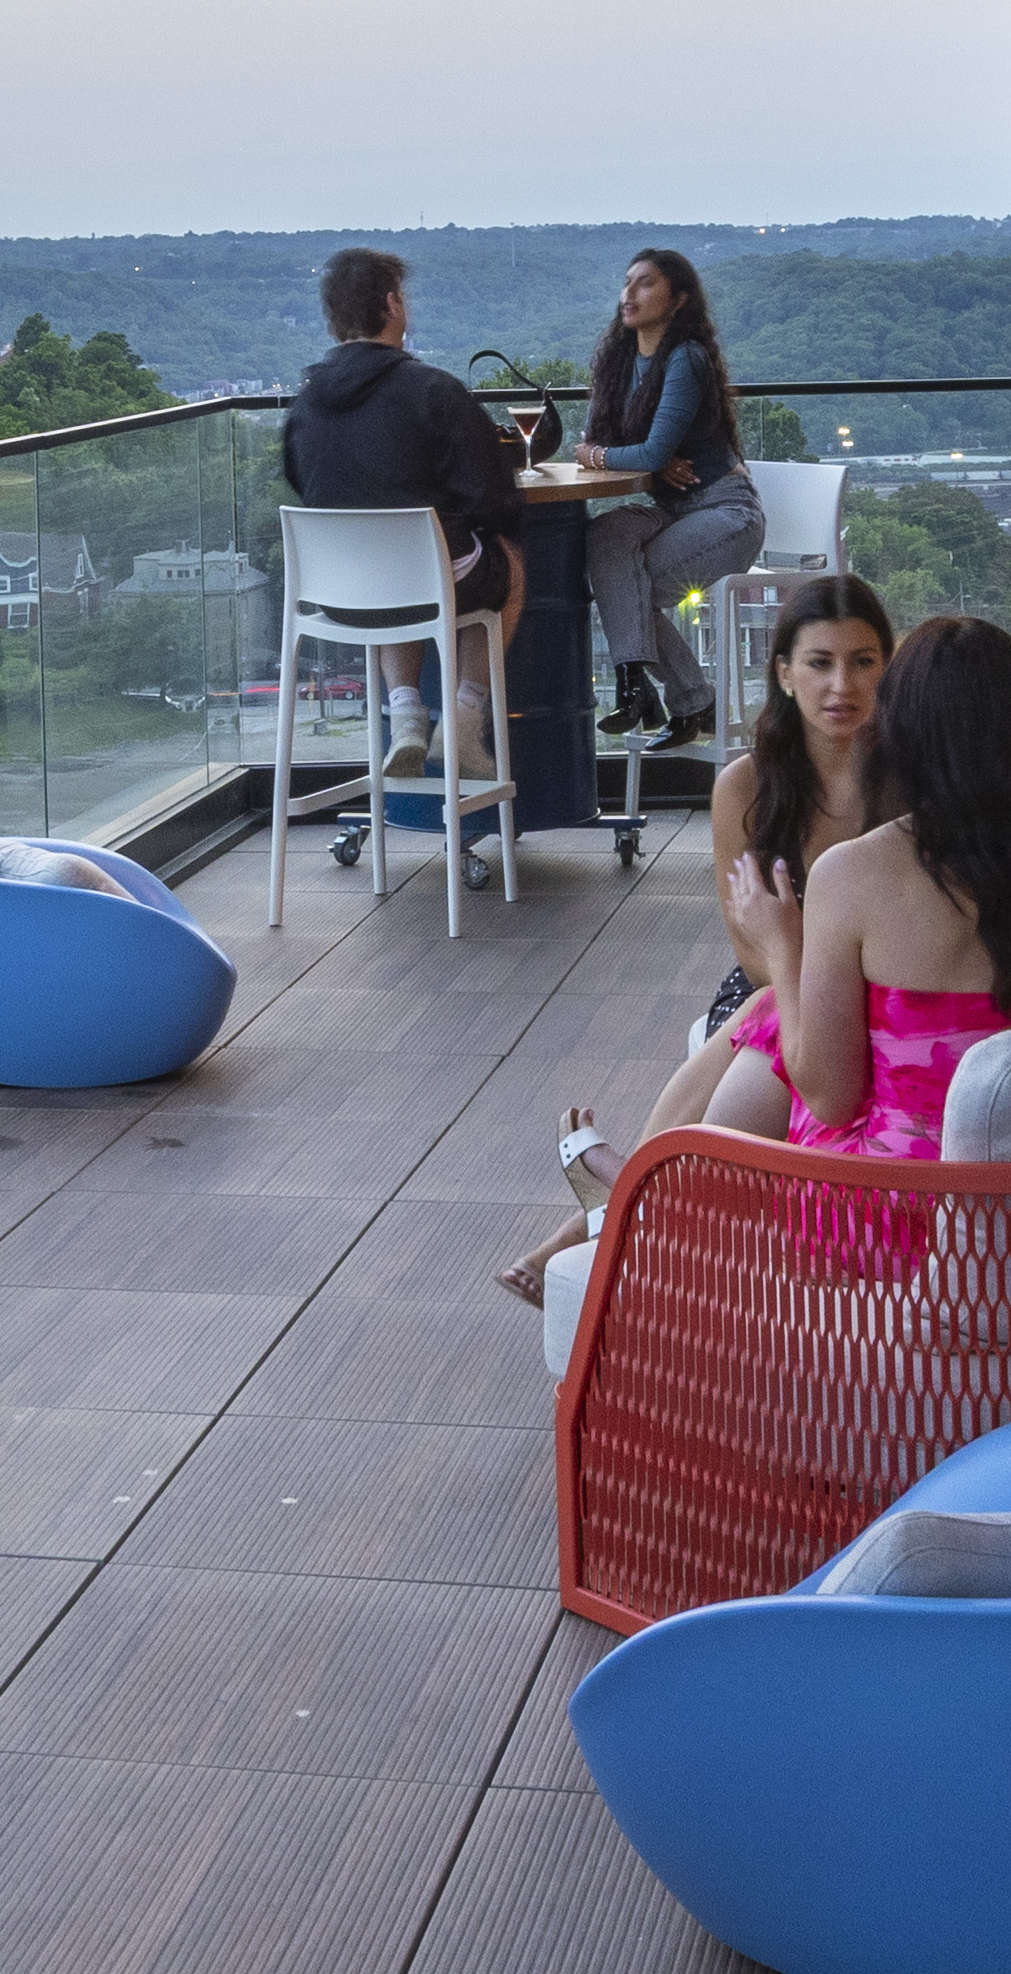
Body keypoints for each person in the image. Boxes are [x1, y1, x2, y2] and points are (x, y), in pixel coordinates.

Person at [501, 567, 888, 1308]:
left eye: (863, 661)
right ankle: (628, 1206)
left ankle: (615, 1203)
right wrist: (804, 965)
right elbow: (752, 950)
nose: (843, 685)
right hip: (772, 985)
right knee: (765, 1001)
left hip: (875, 995)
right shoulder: (746, 786)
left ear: (888, 668)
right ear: (783, 673)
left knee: (769, 1007)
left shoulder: (908, 780)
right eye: (820, 662)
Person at [771, 612, 1011, 1167]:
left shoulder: (849, 875)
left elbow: (831, 1100)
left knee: (764, 1028)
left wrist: (782, 946)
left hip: (910, 1218)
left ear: (899, 733)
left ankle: (638, 1191)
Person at [273, 245, 523, 773]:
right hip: (429, 582)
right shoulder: (434, 390)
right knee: (506, 565)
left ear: (334, 319)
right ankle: (462, 719)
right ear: (392, 304)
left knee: (399, 570)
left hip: (339, 595)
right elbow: (495, 501)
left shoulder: (304, 403)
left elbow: (302, 483)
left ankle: (406, 714)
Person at [567, 247, 760, 749]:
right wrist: (640, 456)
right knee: (605, 536)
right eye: (626, 282)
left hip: (725, 510)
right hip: (671, 509)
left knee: (629, 590)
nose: (629, 294)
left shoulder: (686, 359)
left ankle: (664, 695)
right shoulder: (620, 361)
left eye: (645, 284)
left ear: (678, 301)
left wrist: (610, 455)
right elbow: (627, 446)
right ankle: (655, 694)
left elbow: (642, 452)